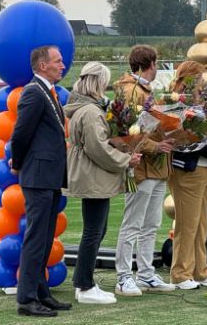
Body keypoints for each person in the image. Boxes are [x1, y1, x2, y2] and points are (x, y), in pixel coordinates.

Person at [64, 62, 142, 304]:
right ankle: (84, 285)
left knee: (97, 229)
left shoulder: (86, 108)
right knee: (94, 231)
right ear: (97, 83)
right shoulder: (90, 112)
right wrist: (126, 159)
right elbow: (98, 148)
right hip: (92, 175)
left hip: (91, 173)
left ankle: (83, 281)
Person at [10, 45, 72, 316]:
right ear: (43, 65)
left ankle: (41, 292)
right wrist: (19, 164)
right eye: (57, 61)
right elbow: (21, 134)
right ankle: (26, 299)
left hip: (49, 176)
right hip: (37, 176)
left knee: (45, 238)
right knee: (36, 239)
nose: (63, 65)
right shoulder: (34, 92)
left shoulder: (47, 92)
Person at [114, 45, 176, 295]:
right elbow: (125, 129)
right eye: (156, 63)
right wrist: (154, 145)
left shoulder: (150, 90)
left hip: (158, 166)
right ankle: (123, 276)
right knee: (133, 223)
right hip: (140, 165)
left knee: (152, 223)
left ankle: (146, 274)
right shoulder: (128, 90)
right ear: (150, 64)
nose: (157, 68)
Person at [167, 61, 207, 290]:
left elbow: (205, 133)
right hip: (187, 169)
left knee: (202, 223)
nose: (204, 81)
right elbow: (193, 136)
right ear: (192, 78)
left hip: (204, 169)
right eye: (200, 76)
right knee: (187, 223)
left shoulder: (199, 101)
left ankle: (200, 270)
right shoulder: (178, 101)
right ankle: (181, 274)